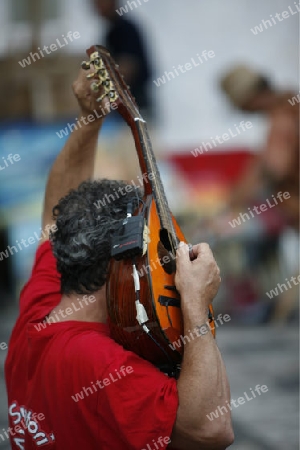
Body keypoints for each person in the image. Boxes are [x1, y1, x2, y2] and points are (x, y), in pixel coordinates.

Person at [5, 63, 234, 449]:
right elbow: (212, 430)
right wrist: (195, 305)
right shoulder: (99, 364)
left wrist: (89, 118)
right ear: (121, 264)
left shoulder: (39, 309)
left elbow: (53, 216)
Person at [93, 0, 152, 115]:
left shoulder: (125, 29)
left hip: (136, 106)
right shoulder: (110, 32)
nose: (96, 7)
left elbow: (127, 69)